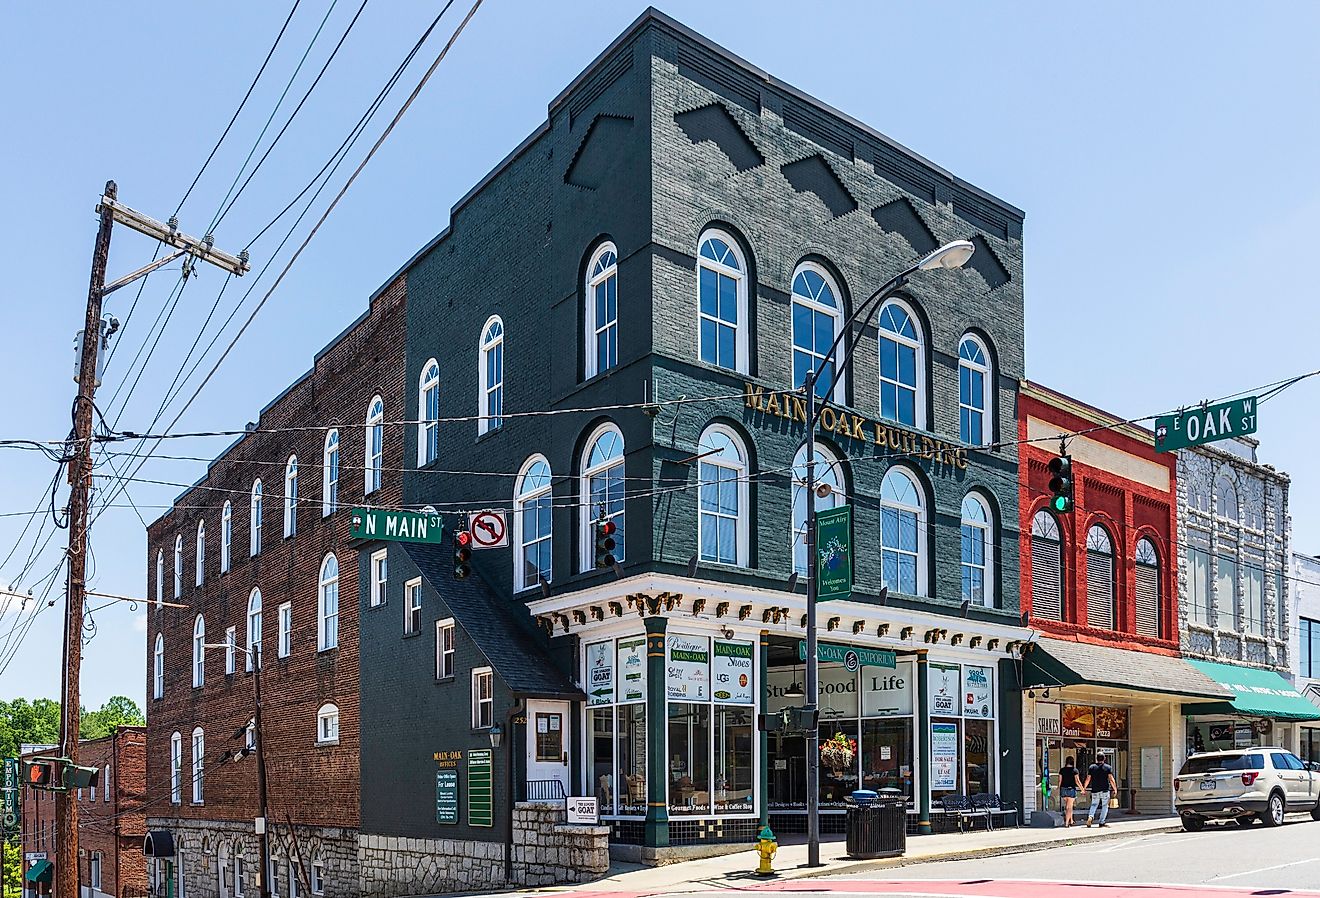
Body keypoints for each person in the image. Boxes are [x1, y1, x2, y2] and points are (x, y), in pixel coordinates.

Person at [1083, 752, 1119, 827]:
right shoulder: (1107, 767)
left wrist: (1084, 788)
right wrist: (1115, 789)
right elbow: (1111, 779)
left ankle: (1091, 816)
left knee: (1094, 804)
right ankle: (1101, 821)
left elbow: (1088, 779)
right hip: (1105, 790)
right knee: (1104, 806)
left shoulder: (1092, 767)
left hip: (1095, 790)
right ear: (1104, 758)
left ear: (1096, 758)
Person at [1058, 756, 1080, 826]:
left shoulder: (1062, 770)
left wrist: (1059, 787)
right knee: (1069, 807)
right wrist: (1082, 789)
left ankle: (1071, 820)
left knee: (1068, 805)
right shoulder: (1075, 770)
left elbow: (1060, 780)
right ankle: (1067, 823)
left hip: (1063, 789)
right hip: (1071, 789)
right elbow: (1077, 781)